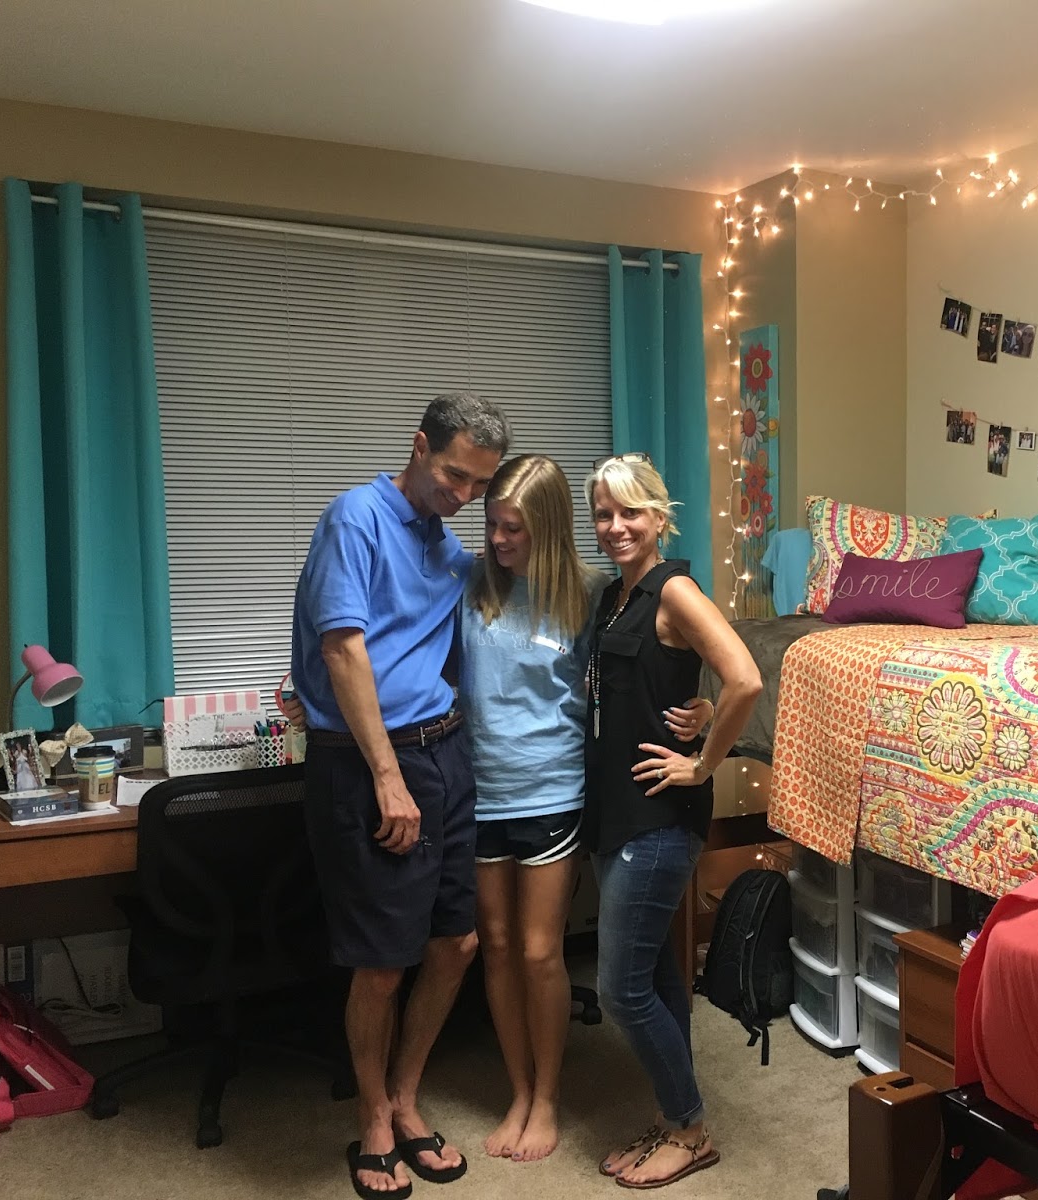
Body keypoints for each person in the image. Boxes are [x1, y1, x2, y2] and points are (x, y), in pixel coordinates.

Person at [462, 454, 712, 1165]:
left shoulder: (594, 594)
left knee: (543, 952)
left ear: (546, 528)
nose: (499, 539)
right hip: (482, 794)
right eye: (492, 525)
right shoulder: (470, 586)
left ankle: (550, 1100)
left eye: (514, 527)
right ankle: (520, 1092)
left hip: (555, 792)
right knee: (497, 947)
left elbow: (663, 670)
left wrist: (704, 718)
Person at [292, 391, 508, 1199]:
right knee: (383, 964)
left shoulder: (446, 550)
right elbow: (342, 648)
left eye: (479, 485)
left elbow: (502, 594)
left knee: (457, 943)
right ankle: (373, 1116)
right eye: (454, 475)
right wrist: (387, 776)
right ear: (419, 446)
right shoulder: (356, 518)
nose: (464, 495)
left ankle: (407, 1095)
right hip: (371, 764)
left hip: (446, 752)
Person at [586, 455, 762, 1190]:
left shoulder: (673, 590)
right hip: (615, 813)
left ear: (660, 516)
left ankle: (690, 1129)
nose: (616, 526)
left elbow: (744, 677)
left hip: (659, 819)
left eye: (631, 511)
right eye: (603, 513)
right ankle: (672, 1116)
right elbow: (653, 683)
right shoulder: (614, 595)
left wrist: (703, 761)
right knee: (657, 978)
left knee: (620, 990)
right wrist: (697, 705)